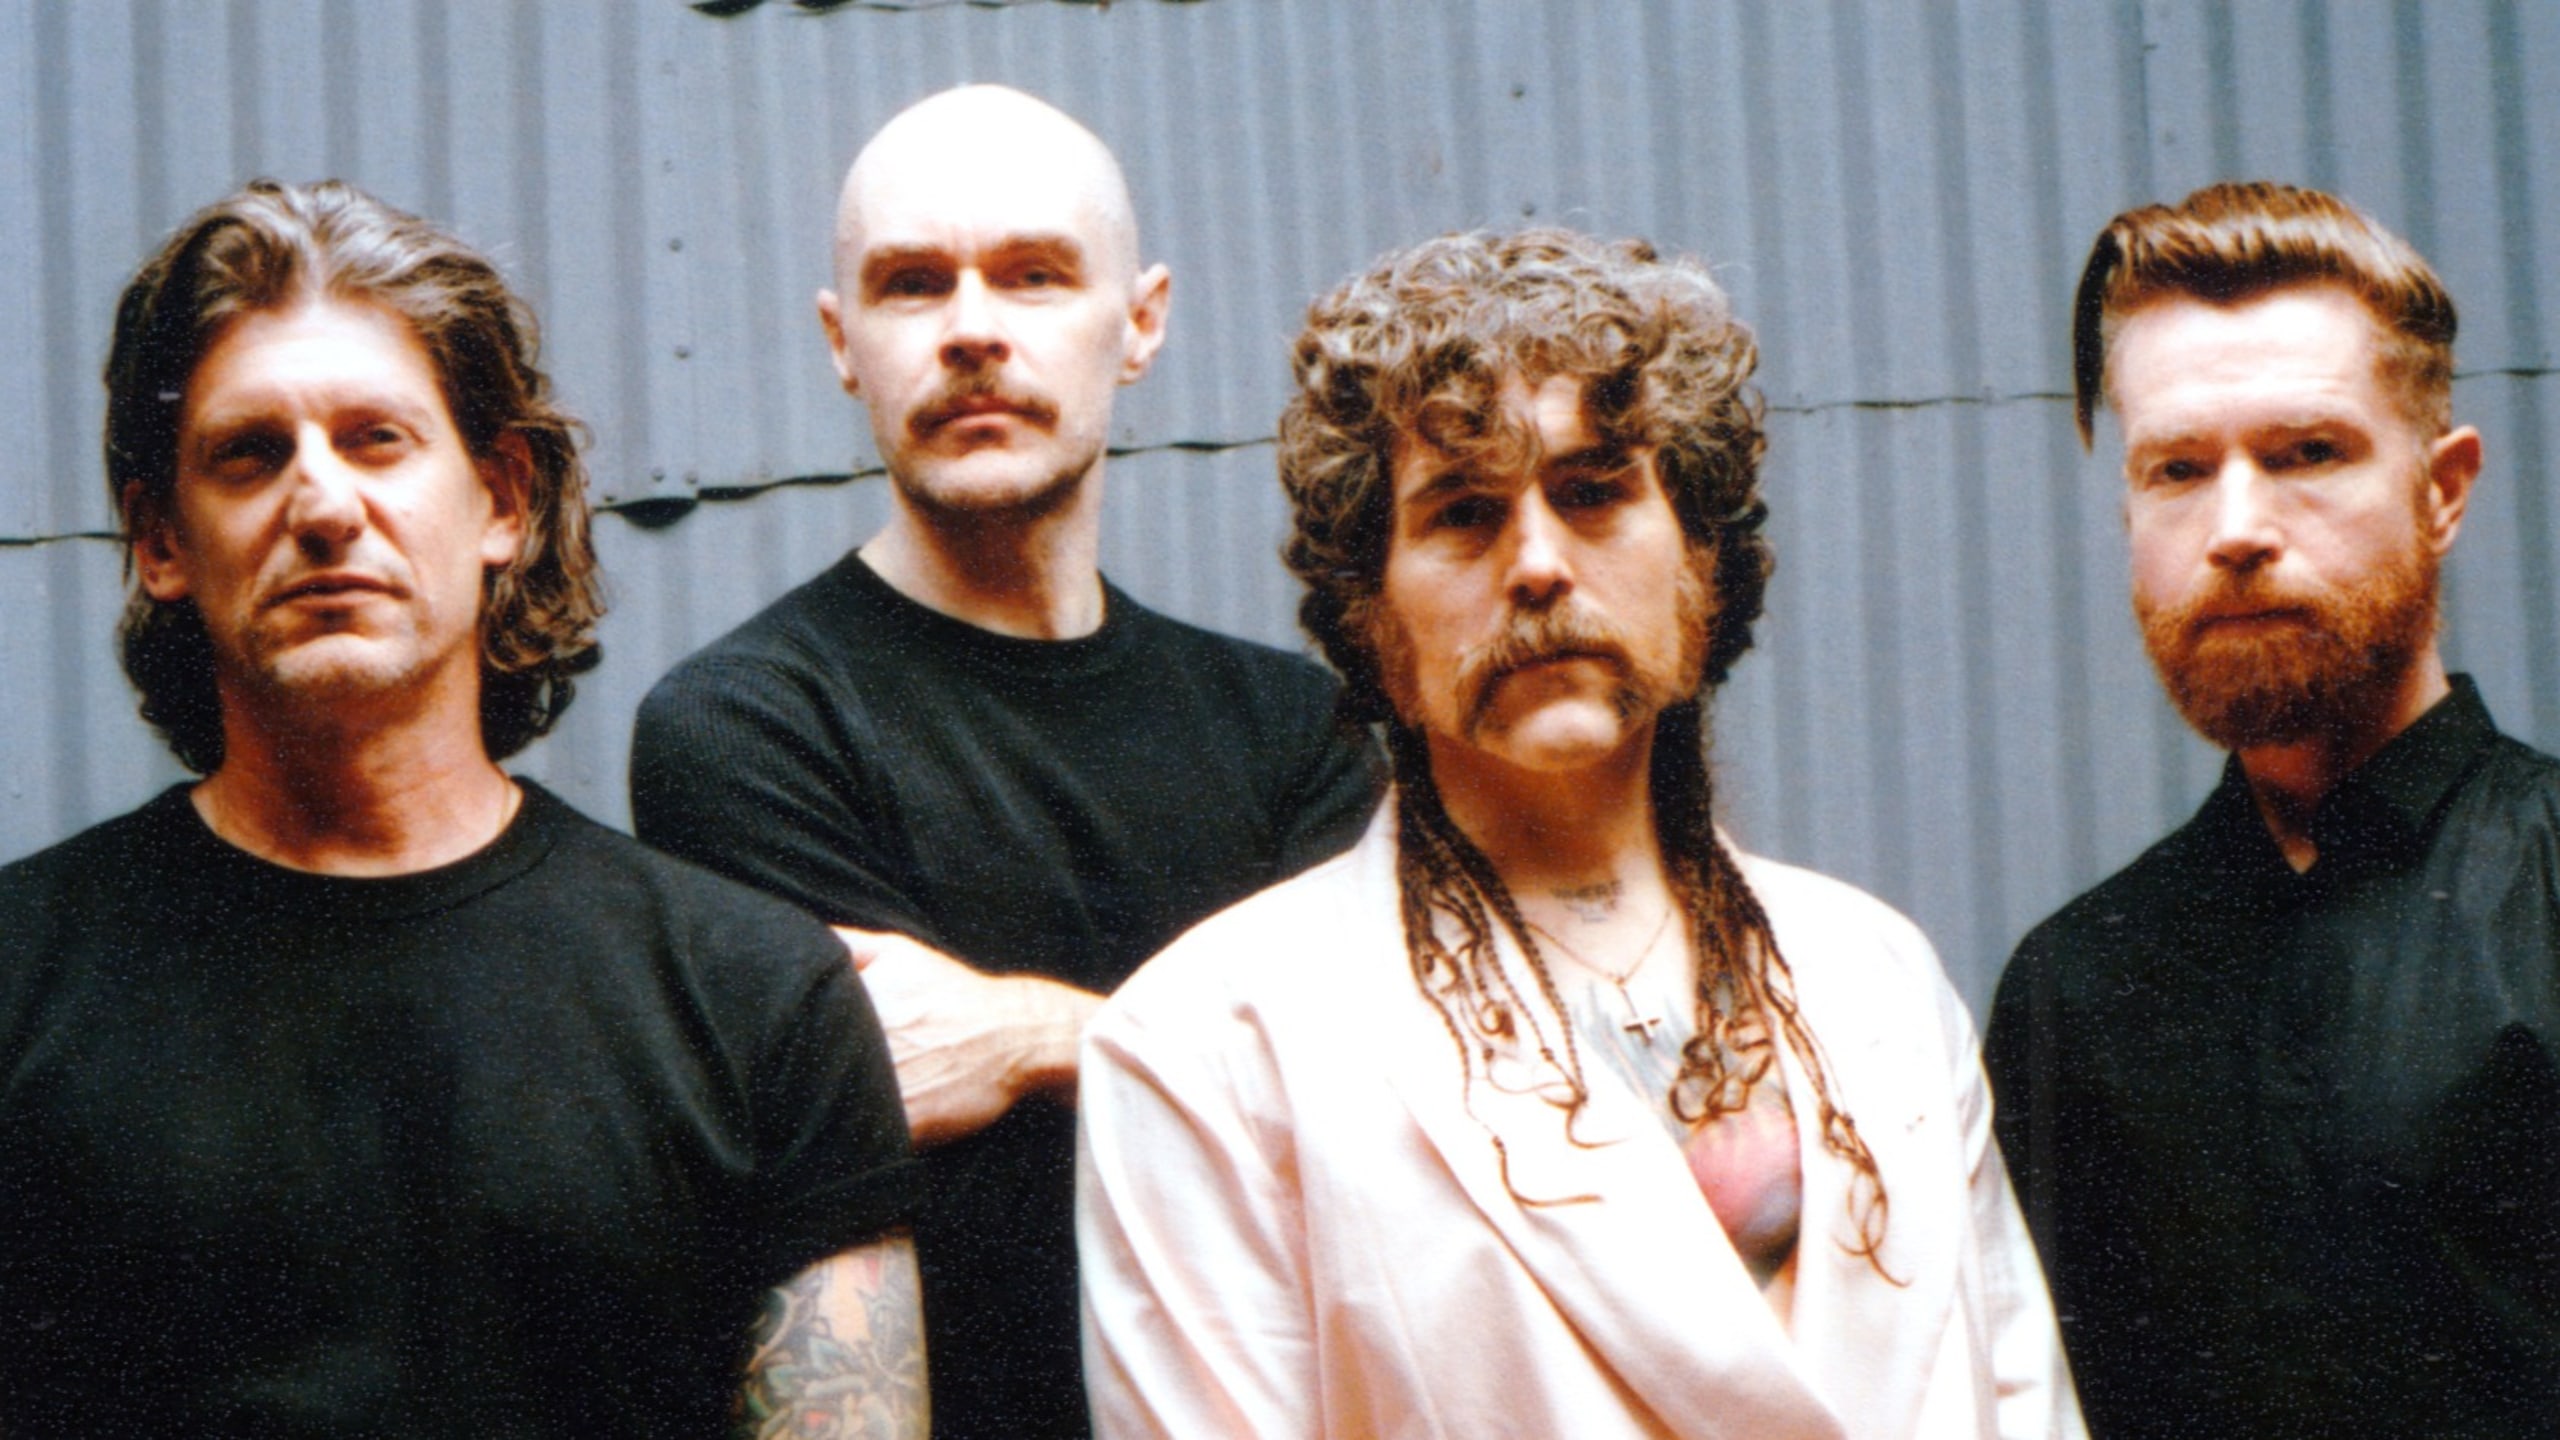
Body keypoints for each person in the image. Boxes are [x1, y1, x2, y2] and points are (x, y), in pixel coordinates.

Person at [1078, 228, 2083, 1439]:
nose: (1538, 565)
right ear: (1372, 617)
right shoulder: (1209, 1045)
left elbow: (2020, 1406)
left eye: (1594, 490)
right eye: (1463, 513)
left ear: (1702, 561)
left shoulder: (1878, 975)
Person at [0, 180, 925, 1438]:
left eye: (376, 439)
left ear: (501, 500)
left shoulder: (755, 1000)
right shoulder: (22, 980)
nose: (323, 505)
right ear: (160, 538)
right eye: (249, 453)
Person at [629, 86, 1380, 1438]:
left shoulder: (1295, 730)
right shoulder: (745, 728)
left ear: (1140, 321)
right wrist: (1222, 1063)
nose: (973, 328)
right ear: (842, 342)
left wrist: (1037, 1035)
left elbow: (1373, 1115)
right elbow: (882, 1138)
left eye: (1034, 275)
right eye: (914, 284)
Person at [1985, 181, 2560, 1438]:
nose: (2235, 529)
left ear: (2443, 490)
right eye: (2177, 470)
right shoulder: (2072, 990)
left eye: (2306, 454)